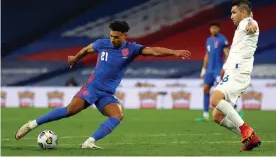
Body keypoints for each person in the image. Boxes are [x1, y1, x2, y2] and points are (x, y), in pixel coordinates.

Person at [15, 20, 191, 149]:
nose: (113, 39)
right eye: (111, 36)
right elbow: (87, 49)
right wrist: (76, 58)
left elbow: (153, 51)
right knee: (69, 111)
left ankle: (89, 142)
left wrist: (174, 52)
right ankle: (32, 124)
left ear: (125, 36)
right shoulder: (102, 44)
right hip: (92, 88)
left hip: (106, 94)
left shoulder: (131, 49)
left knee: (117, 115)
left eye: (116, 37)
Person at [210, 0, 261, 151]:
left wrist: (251, 22)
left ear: (243, 13)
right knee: (217, 116)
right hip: (233, 71)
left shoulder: (247, 23)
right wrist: (226, 67)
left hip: (239, 72)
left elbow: (252, 23)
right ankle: (252, 139)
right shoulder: (240, 28)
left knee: (214, 99)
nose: (231, 16)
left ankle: (245, 129)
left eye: (234, 12)